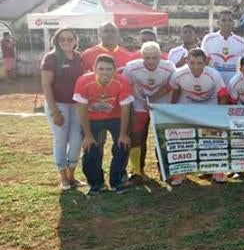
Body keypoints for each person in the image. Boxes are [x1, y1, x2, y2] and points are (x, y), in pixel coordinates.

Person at [73, 55, 134, 196]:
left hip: (116, 117)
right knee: (91, 148)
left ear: (115, 70)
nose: (104, 72)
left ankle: (117, 181)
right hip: (92, 118)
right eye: (101, 69)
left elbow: (126, 108)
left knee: (122, 145)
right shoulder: (83, 81)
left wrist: (124, 134)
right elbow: (81, 108)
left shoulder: (122, 82)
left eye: (108, 69)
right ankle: (96, 183)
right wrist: (87, 135)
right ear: (94, 69)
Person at [169, 48, 229, 185]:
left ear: (205, 62)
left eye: (199, 63)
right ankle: (180, 173)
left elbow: (223, 95)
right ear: (186, 62)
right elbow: (175, 90)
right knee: (183, 140)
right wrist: (170, 110)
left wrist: (220, 115)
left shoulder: (214, 75)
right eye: (192, 63)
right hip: (187, 106)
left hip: (209, 106)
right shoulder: (177, 74)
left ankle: (217, 171)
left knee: (213, 139)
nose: (196, 66)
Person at [122, 42, 175, 184]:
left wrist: (152, 99)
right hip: (139, 104)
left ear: (160, 56)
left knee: (163, 138)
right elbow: (128, 86)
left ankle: (165, 170)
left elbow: (171, 86)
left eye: (155, 57)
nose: (151, 61)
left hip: (161, 104)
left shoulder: (169, 66)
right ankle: (137, 171)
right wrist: (142, 100)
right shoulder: (131, 67)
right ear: (142, 56)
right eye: (148, 57)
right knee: (137, 136)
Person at [41, 28, 85, 190]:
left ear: (75, 40)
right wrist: (54, 111)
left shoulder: (79, 57)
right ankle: (63, 178)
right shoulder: (51, 58)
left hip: (76, 106)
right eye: (62, 39)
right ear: (57, 41)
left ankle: (71, 176)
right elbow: (46, 86)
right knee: (60, 141)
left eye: (70, 39)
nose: (66, 42)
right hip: (58, 105)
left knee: (75, 142)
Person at [201, 9, 244, 85]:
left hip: (234, 83)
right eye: (223, 20)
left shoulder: (241, 42)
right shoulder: (208, 39)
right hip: (213, 83)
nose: (227, 23)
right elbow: (203, 62)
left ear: (233, 23)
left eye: (229, 20)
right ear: (218, 23)